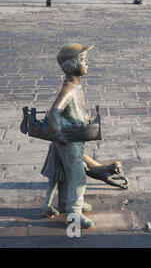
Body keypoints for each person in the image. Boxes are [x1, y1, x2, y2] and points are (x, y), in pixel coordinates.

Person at [48, 44, 96, 229]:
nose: (87, 63)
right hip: (68, 140)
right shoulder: (69, 89)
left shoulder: (74, 86)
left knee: (66, 173)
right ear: (71, 65)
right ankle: (74, 212)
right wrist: (59, 134)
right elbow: (54, 112)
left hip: (75, 138)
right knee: (77, 175)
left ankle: (67, 202)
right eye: (83, 60)